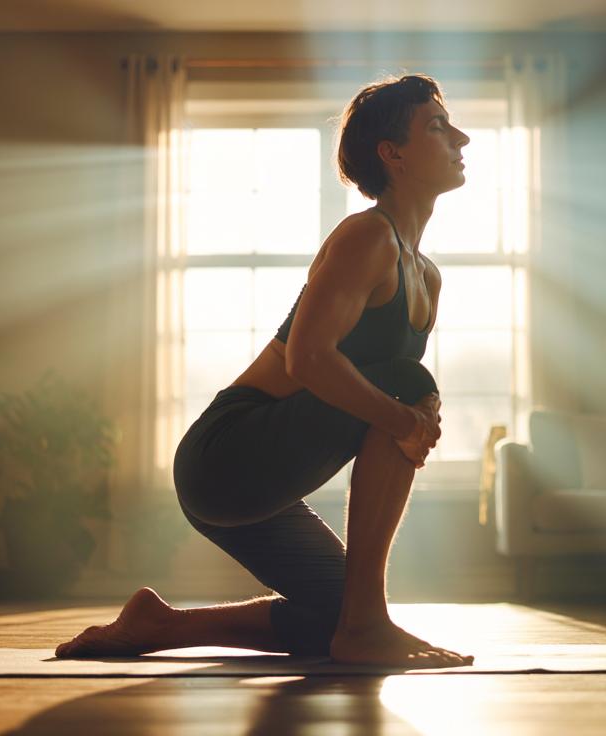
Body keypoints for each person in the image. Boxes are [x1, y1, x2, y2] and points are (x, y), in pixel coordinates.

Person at [56, 73, 472, 668]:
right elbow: (308, 358)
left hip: (265, 486)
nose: (461, 138)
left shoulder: (425, 275)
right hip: (224, 455)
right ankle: (369, 625)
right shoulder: (367, 237)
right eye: (437, 125)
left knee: (332, 615)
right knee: (411, 386)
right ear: (393, 153)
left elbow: (373, 405)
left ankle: (159, 625)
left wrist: (406, 420)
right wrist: (408, 419)